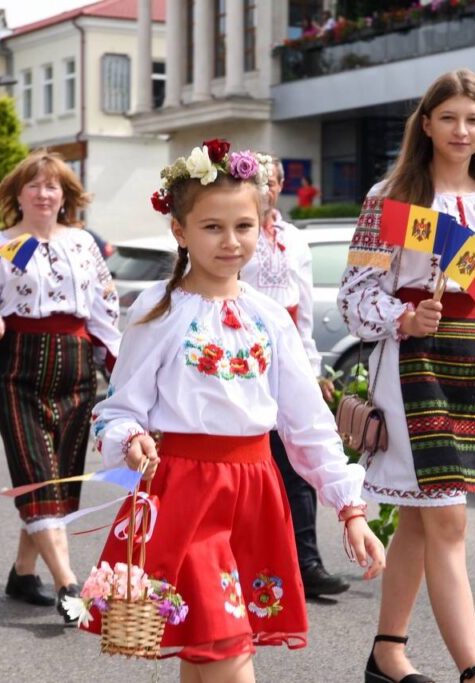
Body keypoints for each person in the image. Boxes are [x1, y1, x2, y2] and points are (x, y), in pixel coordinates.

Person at [82, 140, 386, 681]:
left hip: (252, 496)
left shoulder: (270, 316)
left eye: (244, 226)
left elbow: (306, 424)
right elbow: (120, 406)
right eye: (213, 227)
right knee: (225, 651)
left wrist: (350, 507)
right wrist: (131, 438)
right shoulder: (157, 309)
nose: (231, 242)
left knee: (208, 654)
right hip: (182, 496)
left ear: (263, 224)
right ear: (180, 231)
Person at [337, 70, 475, 683]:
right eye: (449, 118)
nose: (461, 130)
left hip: (470, 367)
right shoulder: (388, 199)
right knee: (448, 517)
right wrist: (407, 317)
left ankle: (387, 655)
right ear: (427, 124)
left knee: (420, 514)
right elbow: (354, 299)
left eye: (474, 119)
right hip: (411, 367)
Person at [0, 149, 121, 623]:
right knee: (38, 474)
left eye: (53, 186)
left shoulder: (84, 243)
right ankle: (68, 584)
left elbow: (105, 310)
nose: (44, 193)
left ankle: (23, 572)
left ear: (66, 195)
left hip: (75, 370)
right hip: (18, 368)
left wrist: (120, 370)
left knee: (58, 480)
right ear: (18, 194)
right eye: (34, 185)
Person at [239, 153, 347, 598]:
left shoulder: (295, 240)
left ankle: (308, 561)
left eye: (273, 180)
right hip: (243, 353)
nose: (267, 187)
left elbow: (301, 313)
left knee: (298, 460)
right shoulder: (238, 231)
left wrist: (313, 369)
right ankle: (250, 561)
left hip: (286, 357)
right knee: (252, 463)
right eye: (259, 179)